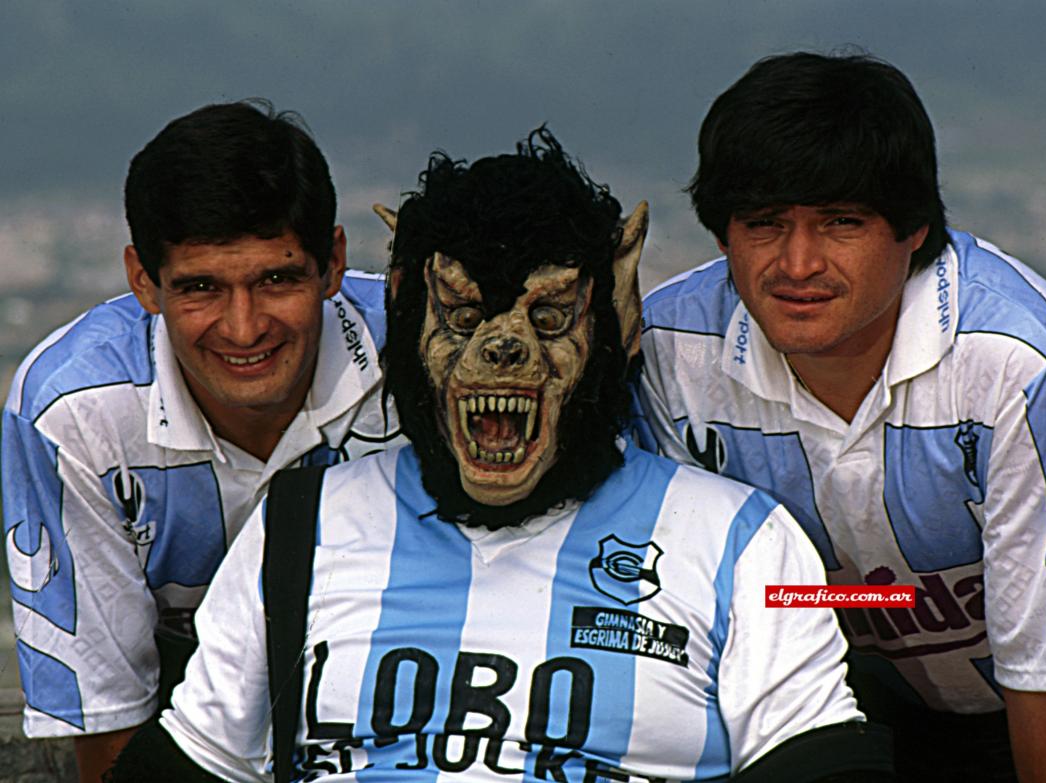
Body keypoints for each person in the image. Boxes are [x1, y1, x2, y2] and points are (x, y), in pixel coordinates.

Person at [105, 129, 894, 782]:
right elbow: (193, 760)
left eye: (550, 316)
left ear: (614, 313)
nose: (502, 351)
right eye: (459, 315)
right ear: (408, 313)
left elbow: (821, 760)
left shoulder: (739, 541)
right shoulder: (300, 526)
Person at [634, 51, 1046, 782]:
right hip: (858, 707)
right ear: (722, 236)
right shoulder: (669, 350)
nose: (799, 263)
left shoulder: (1015, 359)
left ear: (914, 229)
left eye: (842, 221)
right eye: (765, 223)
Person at [2, 100, 400, 781]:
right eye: (202, 288)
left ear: (334, 264)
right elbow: (110, 727)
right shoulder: (76, 414)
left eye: (276, 279)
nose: (244, 329)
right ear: (142, 280)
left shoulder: (422, 365)